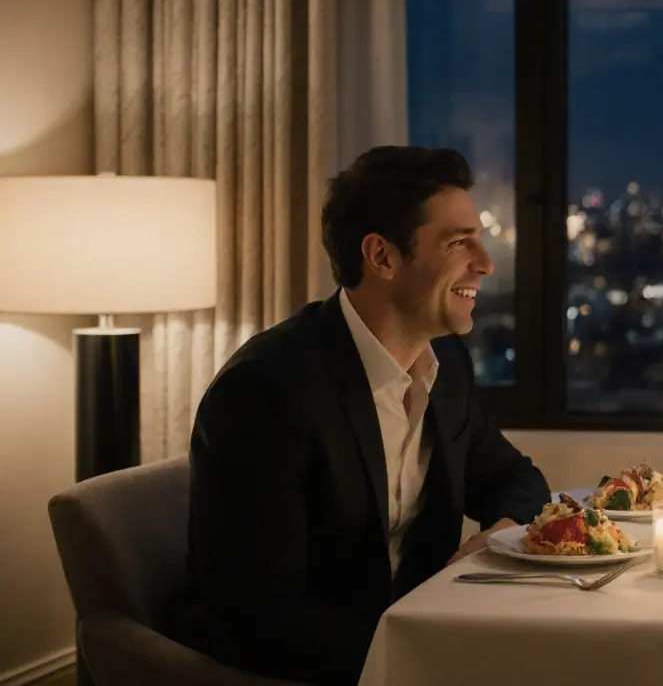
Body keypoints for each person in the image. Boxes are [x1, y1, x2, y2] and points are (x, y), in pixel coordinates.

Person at [173, 146, 551, 685]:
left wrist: (499, 537)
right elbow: (257, 618)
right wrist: (429, 657)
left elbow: (518, 480)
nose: (486, 263)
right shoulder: (267, 391)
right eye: (458, 242)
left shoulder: (446, 365)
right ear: (382, 257)